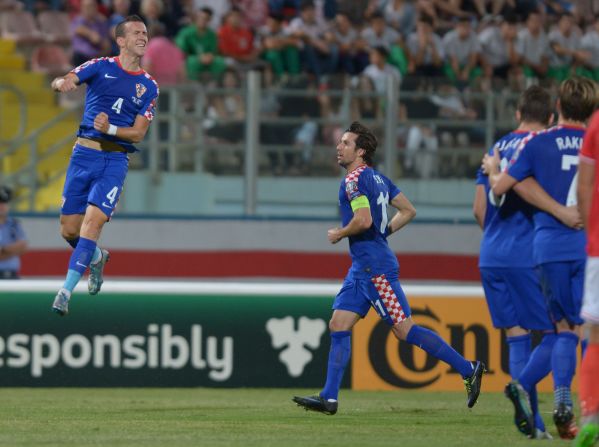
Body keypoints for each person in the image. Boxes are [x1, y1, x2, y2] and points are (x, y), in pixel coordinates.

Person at [292, 121, 486, 415]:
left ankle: (468, 367)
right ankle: (329, 397)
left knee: (404, 329)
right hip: (362, 268)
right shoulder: (379, 179)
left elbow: (364, 221)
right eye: (340, 142)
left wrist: (340, 232)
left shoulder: (354, 180)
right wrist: (384, 233)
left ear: (360, 151)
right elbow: (409, 210)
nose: (338, 146)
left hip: (375, 270)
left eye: (345, 143)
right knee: (338, 324)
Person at [482, 76, 598, 439]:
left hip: (547, 246)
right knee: (583, 330)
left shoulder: (536, 142)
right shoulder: (593, 142)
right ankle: (573, 403)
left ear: (558, 108)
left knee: (563, 328)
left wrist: (493, 170)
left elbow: (502, 188)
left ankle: (534, 389)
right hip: (588, 245)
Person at [50, 15, 159, 316]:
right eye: (136, 32)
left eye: (146, 33)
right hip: (83, 156)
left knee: (92, 224)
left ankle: (65, 292)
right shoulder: (101, 66)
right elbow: (69, 78)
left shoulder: (149, 86)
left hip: (114, 160)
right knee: (68, 230)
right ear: (121, 40)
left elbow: (138, 133)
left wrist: (110, 129)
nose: (143, 37)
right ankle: (96, 258)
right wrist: (63, 83)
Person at [573, 109, 599, 447]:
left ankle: (591, 415)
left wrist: (592, 234)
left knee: (594, 334)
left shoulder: (596, 122)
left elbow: (584, 184)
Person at [0, 186, 28, 279]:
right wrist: (14, 250)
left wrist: (3, 249)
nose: (2, 206)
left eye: (4, 203)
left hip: (12, 275)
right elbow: (19, 247)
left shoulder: (14, 224)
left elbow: (23, 247)